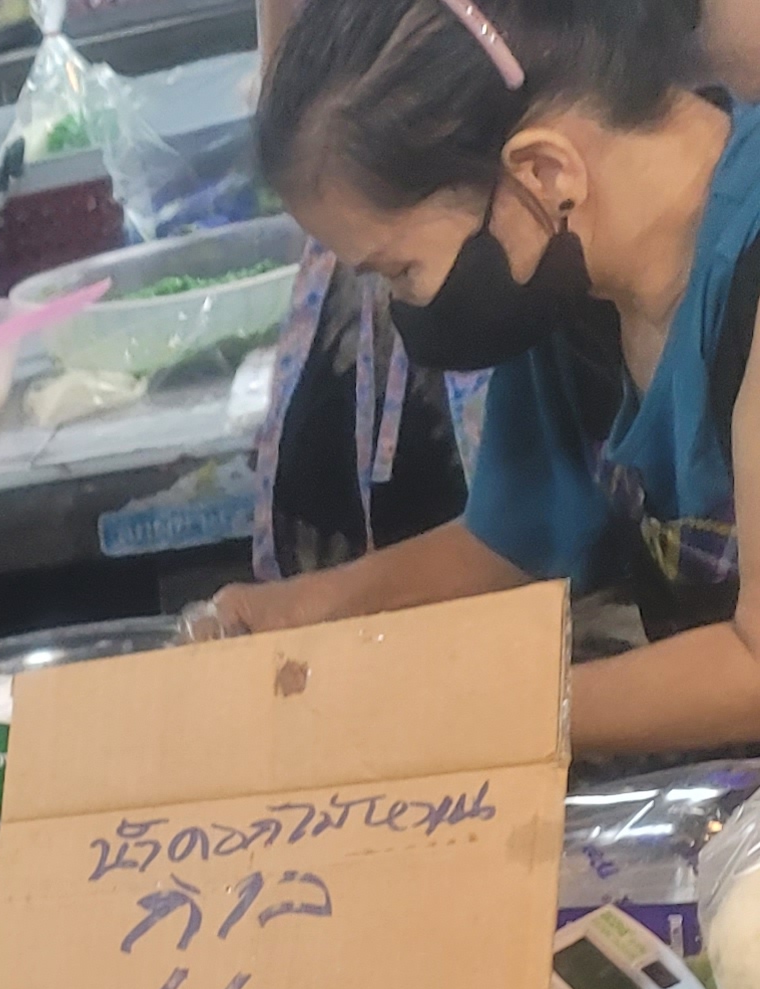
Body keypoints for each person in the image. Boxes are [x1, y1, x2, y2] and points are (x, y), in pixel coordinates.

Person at [208, 0, 760, 757]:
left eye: (400, 270)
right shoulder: (567, 267)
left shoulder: (742, 268)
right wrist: (301, 613)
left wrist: (454, 712)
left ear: (543, 170)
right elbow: (513, 536)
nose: (402, 307)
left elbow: (753, 668)